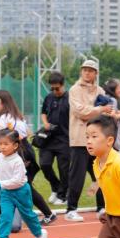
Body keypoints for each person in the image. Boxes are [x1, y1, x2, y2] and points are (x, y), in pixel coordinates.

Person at [0, 90, 57, 225]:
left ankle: (45, 214)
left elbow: (4, 139)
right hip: (24, 150)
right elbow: (27, 133)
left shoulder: (3, 118)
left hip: (20, 152)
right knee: (23, 185)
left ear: (3, 102)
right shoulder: (15, 116)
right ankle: (21, 214)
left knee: (24, 186)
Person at [65, 60, 112, 222]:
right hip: (80, 139)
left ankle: (101, 207)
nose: (87, 72)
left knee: (101, 174)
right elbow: (80, 112)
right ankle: (71, 209)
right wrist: (99, 109)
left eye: (90, 70)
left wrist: (105, 111)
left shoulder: (100, 90)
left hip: (97, 139)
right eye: (84, 70)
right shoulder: (74, 90)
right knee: (77, 176)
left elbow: (106, 112)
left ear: (96, 73)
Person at [39, 71, 71, 206]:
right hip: (49, 138)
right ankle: (56, 187)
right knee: (44, 164)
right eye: (52, 88)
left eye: (57, 88)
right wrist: (45, 122)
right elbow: (43, 112)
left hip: (65, 139)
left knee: (64, 170)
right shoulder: (49, 97)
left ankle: (63, 196)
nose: (54, 91)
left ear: (63, 85)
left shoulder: (71, 98)